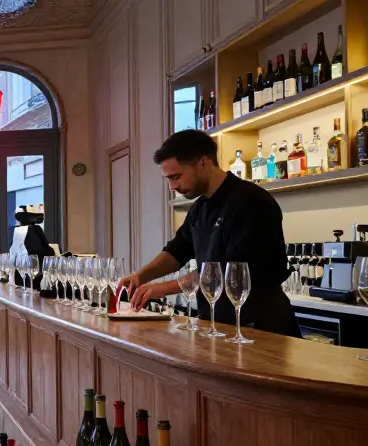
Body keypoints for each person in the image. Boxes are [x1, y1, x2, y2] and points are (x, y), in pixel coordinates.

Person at [120, 130, 299, 337]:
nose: (172, 187)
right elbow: (177, 250)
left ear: (204, 163)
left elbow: (231, 271)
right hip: (216, 324)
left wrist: (164, 288)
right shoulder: (200, 208)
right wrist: (140, 276)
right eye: (168, 179)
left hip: (258, 325)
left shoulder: (251, 201)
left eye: (176, 177)